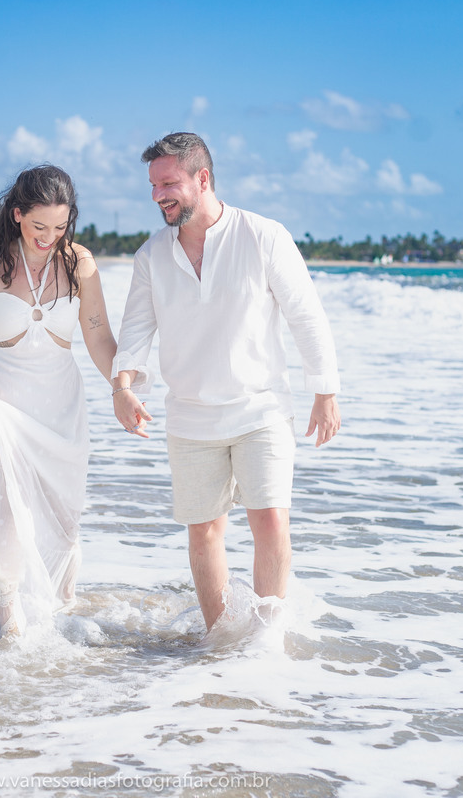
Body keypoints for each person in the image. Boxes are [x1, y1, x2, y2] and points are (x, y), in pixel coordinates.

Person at [111, 132, 341, 633]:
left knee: (271, 521)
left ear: (203, 178)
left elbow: (306, 315)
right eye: (153, 185)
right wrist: (123, 385)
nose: (158, 196)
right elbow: (135, 328)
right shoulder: (152, 256)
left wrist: (324, 391)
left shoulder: (263, 235)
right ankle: (219, 642)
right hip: (190, 416)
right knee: (205, 533)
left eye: (168, 183)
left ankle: (267, 638)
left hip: (260, 410)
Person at [0, 164, 116, 641]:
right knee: (3, 506)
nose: (49, 237)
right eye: (40, 226)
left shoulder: (79, 263)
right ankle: (8, 620)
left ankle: (55, 613)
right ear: (17, 214)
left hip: (61, 403)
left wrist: (121, 387)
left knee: (64, 515)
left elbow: (99, 335)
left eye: (60, 227)